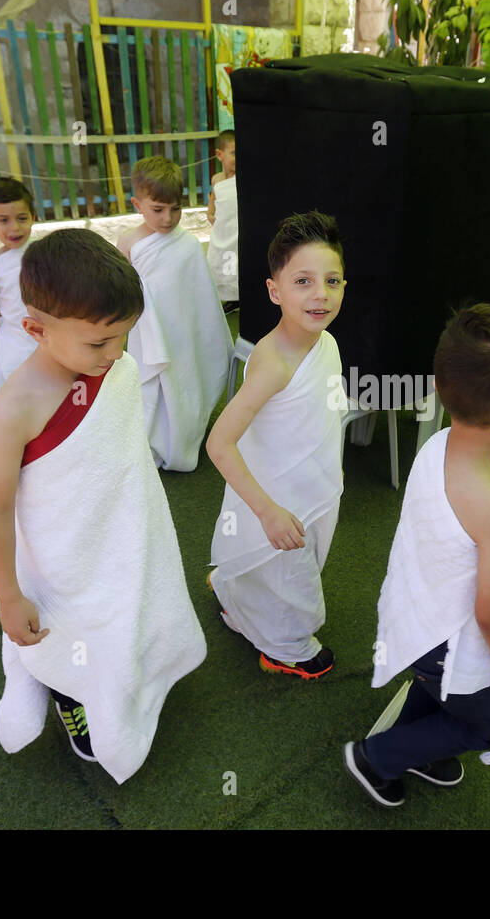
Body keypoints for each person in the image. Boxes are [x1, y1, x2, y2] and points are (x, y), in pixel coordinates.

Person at [0, 229, 206, 783]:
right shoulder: (13, 410)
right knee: (66, 635)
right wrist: (8, 595)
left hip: (125, 538)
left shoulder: (117, 371)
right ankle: (66, 690)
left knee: (123, 620)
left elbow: (122, 459)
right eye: (97, 344)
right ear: (35, 329)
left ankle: (134, 676)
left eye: (123, 338)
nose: (115, 355)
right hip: (61, 560)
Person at [344, 304, 490, 807]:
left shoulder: (435, 445)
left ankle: (417, 749)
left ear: (437, 385)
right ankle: (377, 757)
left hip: (418, 617)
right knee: (483, 727)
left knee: (433, 688)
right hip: (453, 647)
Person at [205, 211, 346, 679]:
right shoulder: (273, 364)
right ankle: (286, 645)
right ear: (274, 291)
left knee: (286, 568)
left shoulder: (324, 341)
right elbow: (220, 443)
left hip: (313, 481)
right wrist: (266, 511)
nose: (320, 294)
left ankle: (234, 600)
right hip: (276, 498)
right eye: (303, 281)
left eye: (332, 280)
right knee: (289, 577)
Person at [118, 156, 233, 472]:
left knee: (182, 380)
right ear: (137, 204)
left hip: (183, 333)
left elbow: (199, 297)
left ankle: (183, 434)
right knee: (151, 383)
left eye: (176, 208)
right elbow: (123, 289)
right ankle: (155, 438)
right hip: (147, 332)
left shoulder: (188, 244)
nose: (168, 218)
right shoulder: (129, 242)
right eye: (158, 209)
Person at [0, 178, 37, 391]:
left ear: (33, 216)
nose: (15, 228)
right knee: (16, 387)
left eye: (22, 218)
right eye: (3, 220)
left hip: (47, 332)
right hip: (14, 336)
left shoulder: (44, 252)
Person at [206, 129, 239, 308]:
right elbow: (213, 202)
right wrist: (211, 215)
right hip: (223, 231)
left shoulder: (243, 180)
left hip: (238, 230)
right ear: (220, 154)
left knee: (238, 264)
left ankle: (241, 296)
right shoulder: (217, 179)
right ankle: (231, 298)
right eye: (234, 153)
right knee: (226, 265)